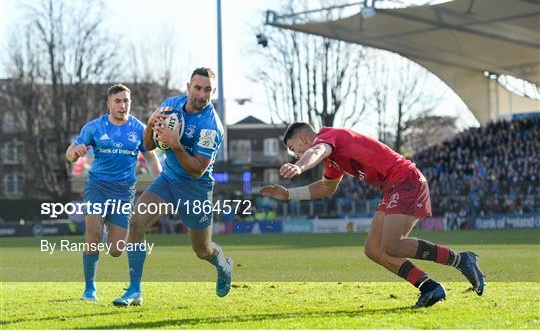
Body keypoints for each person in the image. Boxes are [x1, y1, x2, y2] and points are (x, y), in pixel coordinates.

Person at [259, 122, 485, 308]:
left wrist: (299, 166)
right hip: (393, 186)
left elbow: (317, 151)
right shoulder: (333, 157)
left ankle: (460, 259)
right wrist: (288, 194)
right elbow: (327, 187)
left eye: (293, 148)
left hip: (406, 180)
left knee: (392, 245)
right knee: (374, 249)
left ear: (302, 140)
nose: (295, 153)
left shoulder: (328, 137)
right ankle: (429, 287)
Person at [112, 67, 232, 307]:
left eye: (208, 89)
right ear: (188, 87)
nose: (202, 94)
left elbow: (197, 169)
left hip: (196, 189)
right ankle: (135, 290)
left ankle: (222, 263)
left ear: (213, 92)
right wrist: (150, 126)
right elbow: (148, 144)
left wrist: (176, 145)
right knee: (136, 220)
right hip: (168, 180)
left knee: (202, 250)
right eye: (197, 88)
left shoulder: (211, 127)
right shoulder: (170, 106)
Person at [65, 84, 162, 301]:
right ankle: (89, 289)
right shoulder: (94, 127)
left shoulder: (139, 129)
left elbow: (151, 157)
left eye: (126, 101)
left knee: (117, 250)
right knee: (93, 235)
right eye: (118, 101)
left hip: (124, 190)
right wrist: (74, 153)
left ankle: (107, 228)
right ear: (109, 104)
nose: (122, 105)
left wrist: (160, 181)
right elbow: (70, 153)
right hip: (97, 186)